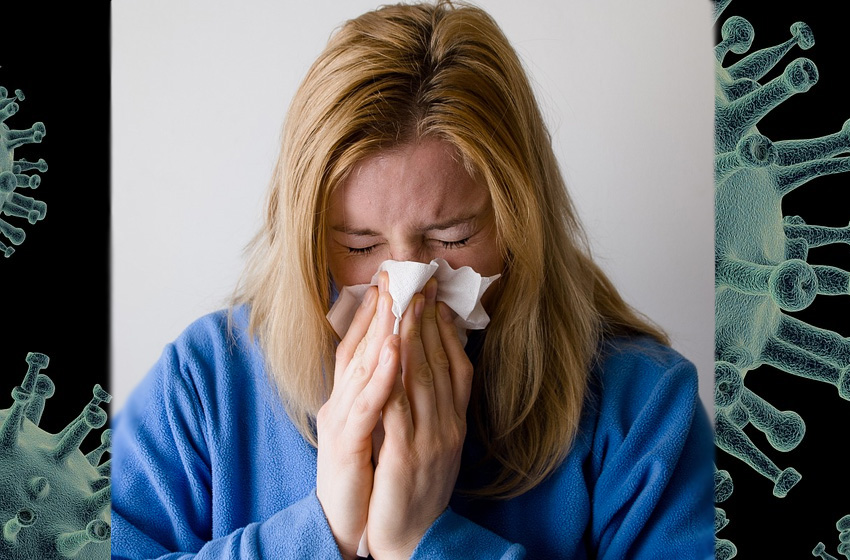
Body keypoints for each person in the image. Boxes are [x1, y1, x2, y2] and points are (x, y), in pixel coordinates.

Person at [111, 1, 714, 558]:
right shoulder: (204, 383)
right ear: (308, 240)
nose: (406, 287)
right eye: (359, 245)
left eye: (451, 238)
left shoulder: (643, 411)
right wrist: (325, 529)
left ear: (519, 223)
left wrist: (421, 542)